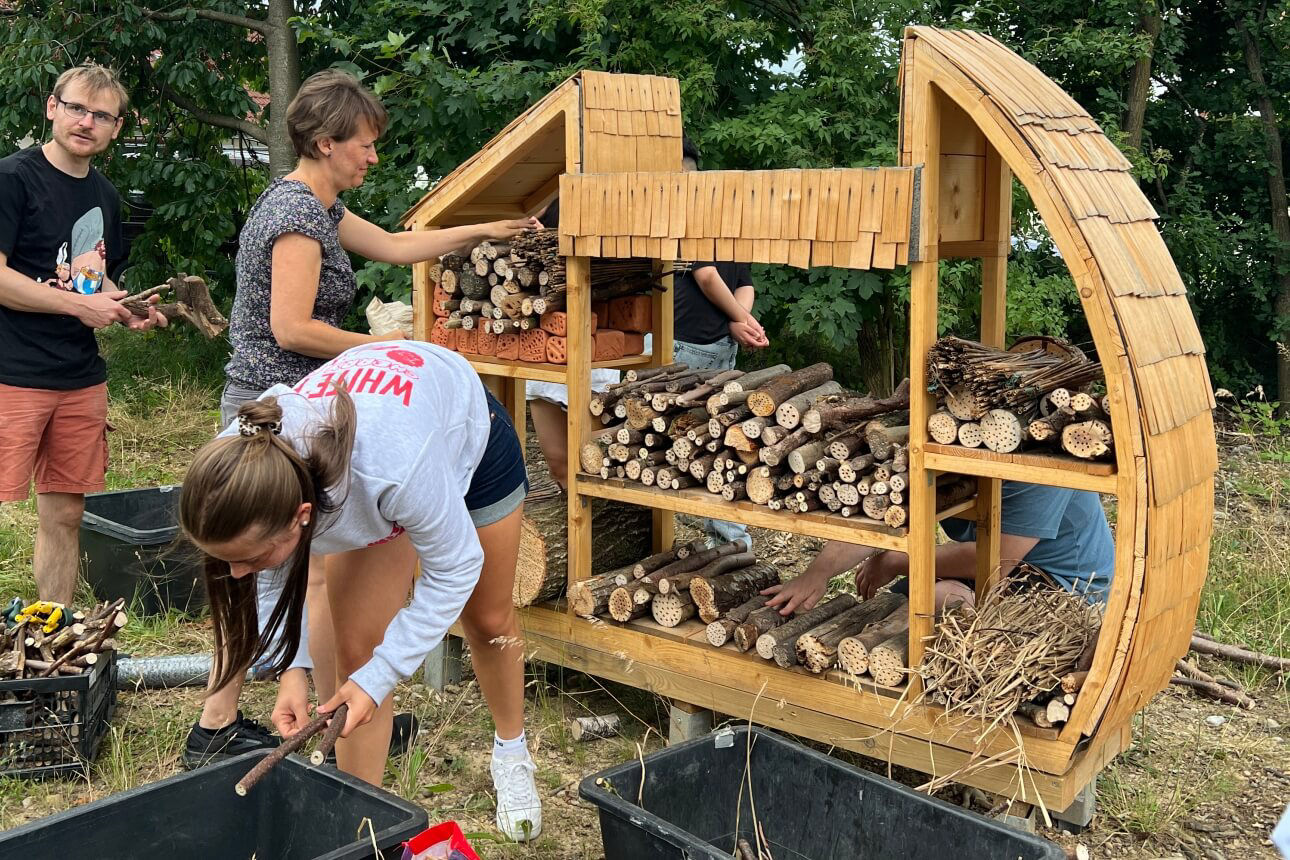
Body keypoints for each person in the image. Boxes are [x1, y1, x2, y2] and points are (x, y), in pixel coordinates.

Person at [185, 69, 538, 773]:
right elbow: (290, 327)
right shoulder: (295, 218)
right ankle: (231, 717)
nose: (373, 157)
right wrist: (386, 346)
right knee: (281, 569)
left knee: (306, 572)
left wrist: (484, 229)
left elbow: (398, 245)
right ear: (325, 142)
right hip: (278, 406)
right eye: (365, 144)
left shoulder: (319, 206)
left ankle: (325, 701)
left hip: (345, 408)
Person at [180, 340, 542, 841]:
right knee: (357, 654)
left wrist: (383, 675)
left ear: (302, 517)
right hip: (368, 457)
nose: (237, 573)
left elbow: (456, 568)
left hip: (460, 433)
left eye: (249, 559)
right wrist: (293, 669)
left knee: (486, 620)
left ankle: (512, 752)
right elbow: (272, 570)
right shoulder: (238, 459)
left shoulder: (392, 471)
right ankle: (361, 831)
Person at [0, 64, 166, 606]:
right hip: (11, 372)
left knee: (66, 512)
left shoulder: (105, 195)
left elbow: (92, 276)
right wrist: (81, 305)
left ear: (116, 128)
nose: (86, 122)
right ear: (53, 107)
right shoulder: (12, 179)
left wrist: (127, 307)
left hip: (78, 377)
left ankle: (55, 628)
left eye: (101, 115)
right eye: (76, 108)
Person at [762, 482, 1114, 615]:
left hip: (1061, 589)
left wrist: (898, 560)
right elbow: (881, 517)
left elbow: (992, 560)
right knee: (900, 603)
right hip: (1005, 569)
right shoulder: (933, 443)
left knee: (935, 600)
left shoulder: (1036, 473)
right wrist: (816, 573)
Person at [671, 137, 767, 544]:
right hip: (696, 343)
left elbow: (734, 281)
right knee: (707, 439)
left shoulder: (698, 218)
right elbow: (715, 280)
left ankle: (729, 540)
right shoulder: (695, 219)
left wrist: (740, 320)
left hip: (698, 346)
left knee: (713, 440)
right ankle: (725, 538)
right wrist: (741, 320)